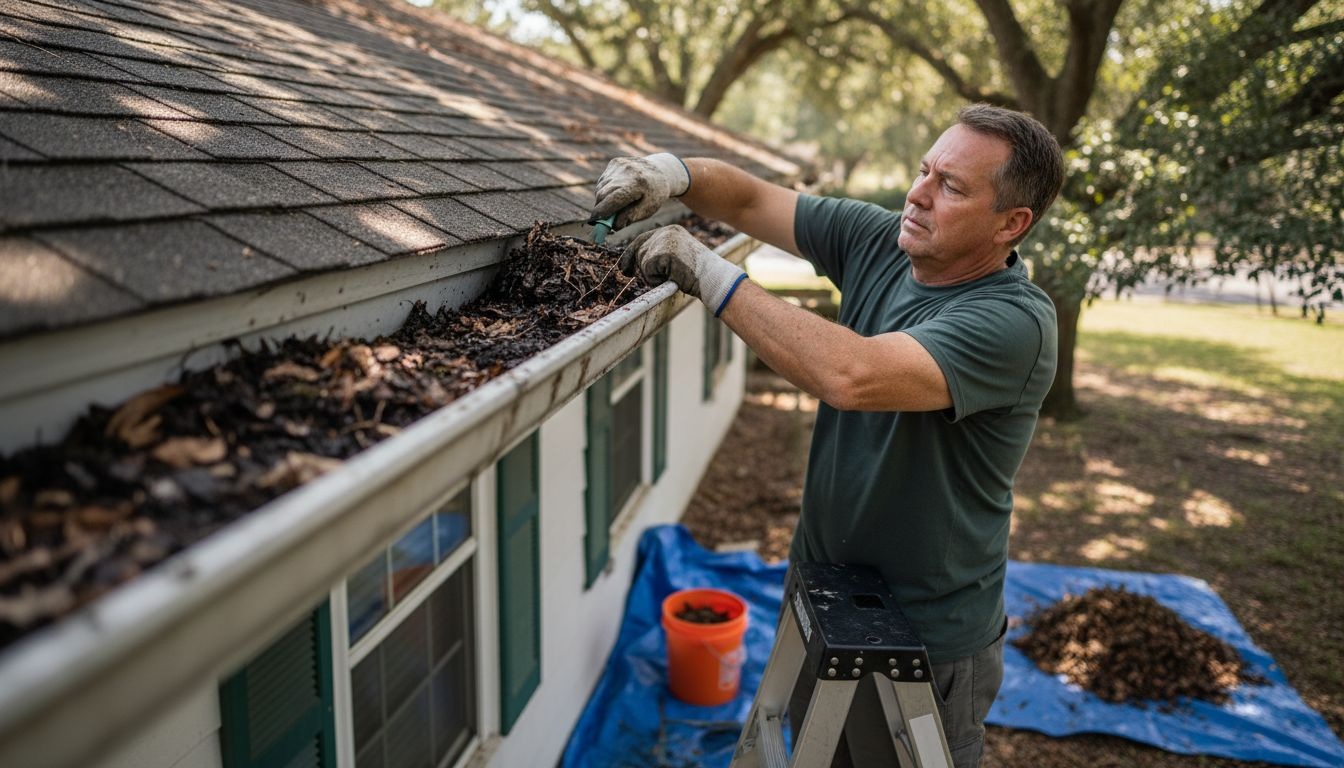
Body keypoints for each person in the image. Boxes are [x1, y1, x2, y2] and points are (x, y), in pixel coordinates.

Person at [592, 104, 1064, 768]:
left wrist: (705, 270)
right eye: (925, 170)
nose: (918, 193)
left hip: (922, 642)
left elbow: (852, 374)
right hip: (820, 596)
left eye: (952, 187)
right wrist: (672, 173)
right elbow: (752, 197)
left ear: (1012, 224)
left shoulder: (1014, 323)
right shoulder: (880, 241)